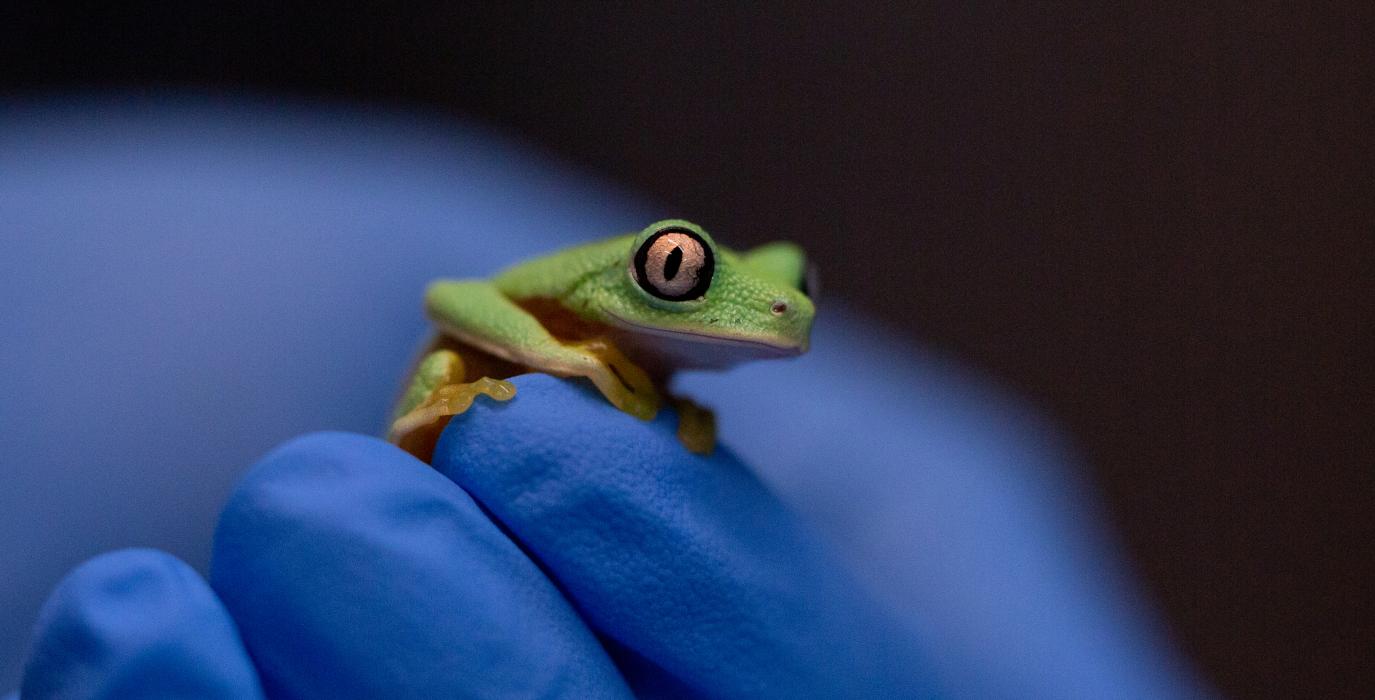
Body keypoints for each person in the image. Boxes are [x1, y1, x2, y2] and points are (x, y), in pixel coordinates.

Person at [1, 96, 1208, 698]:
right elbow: (446, 292)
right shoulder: (556, 292)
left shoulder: (746, 353)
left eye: (792, 288)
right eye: (688, 275)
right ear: (645, 273)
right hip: (476, 383)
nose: (778, 308)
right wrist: (557, 355)